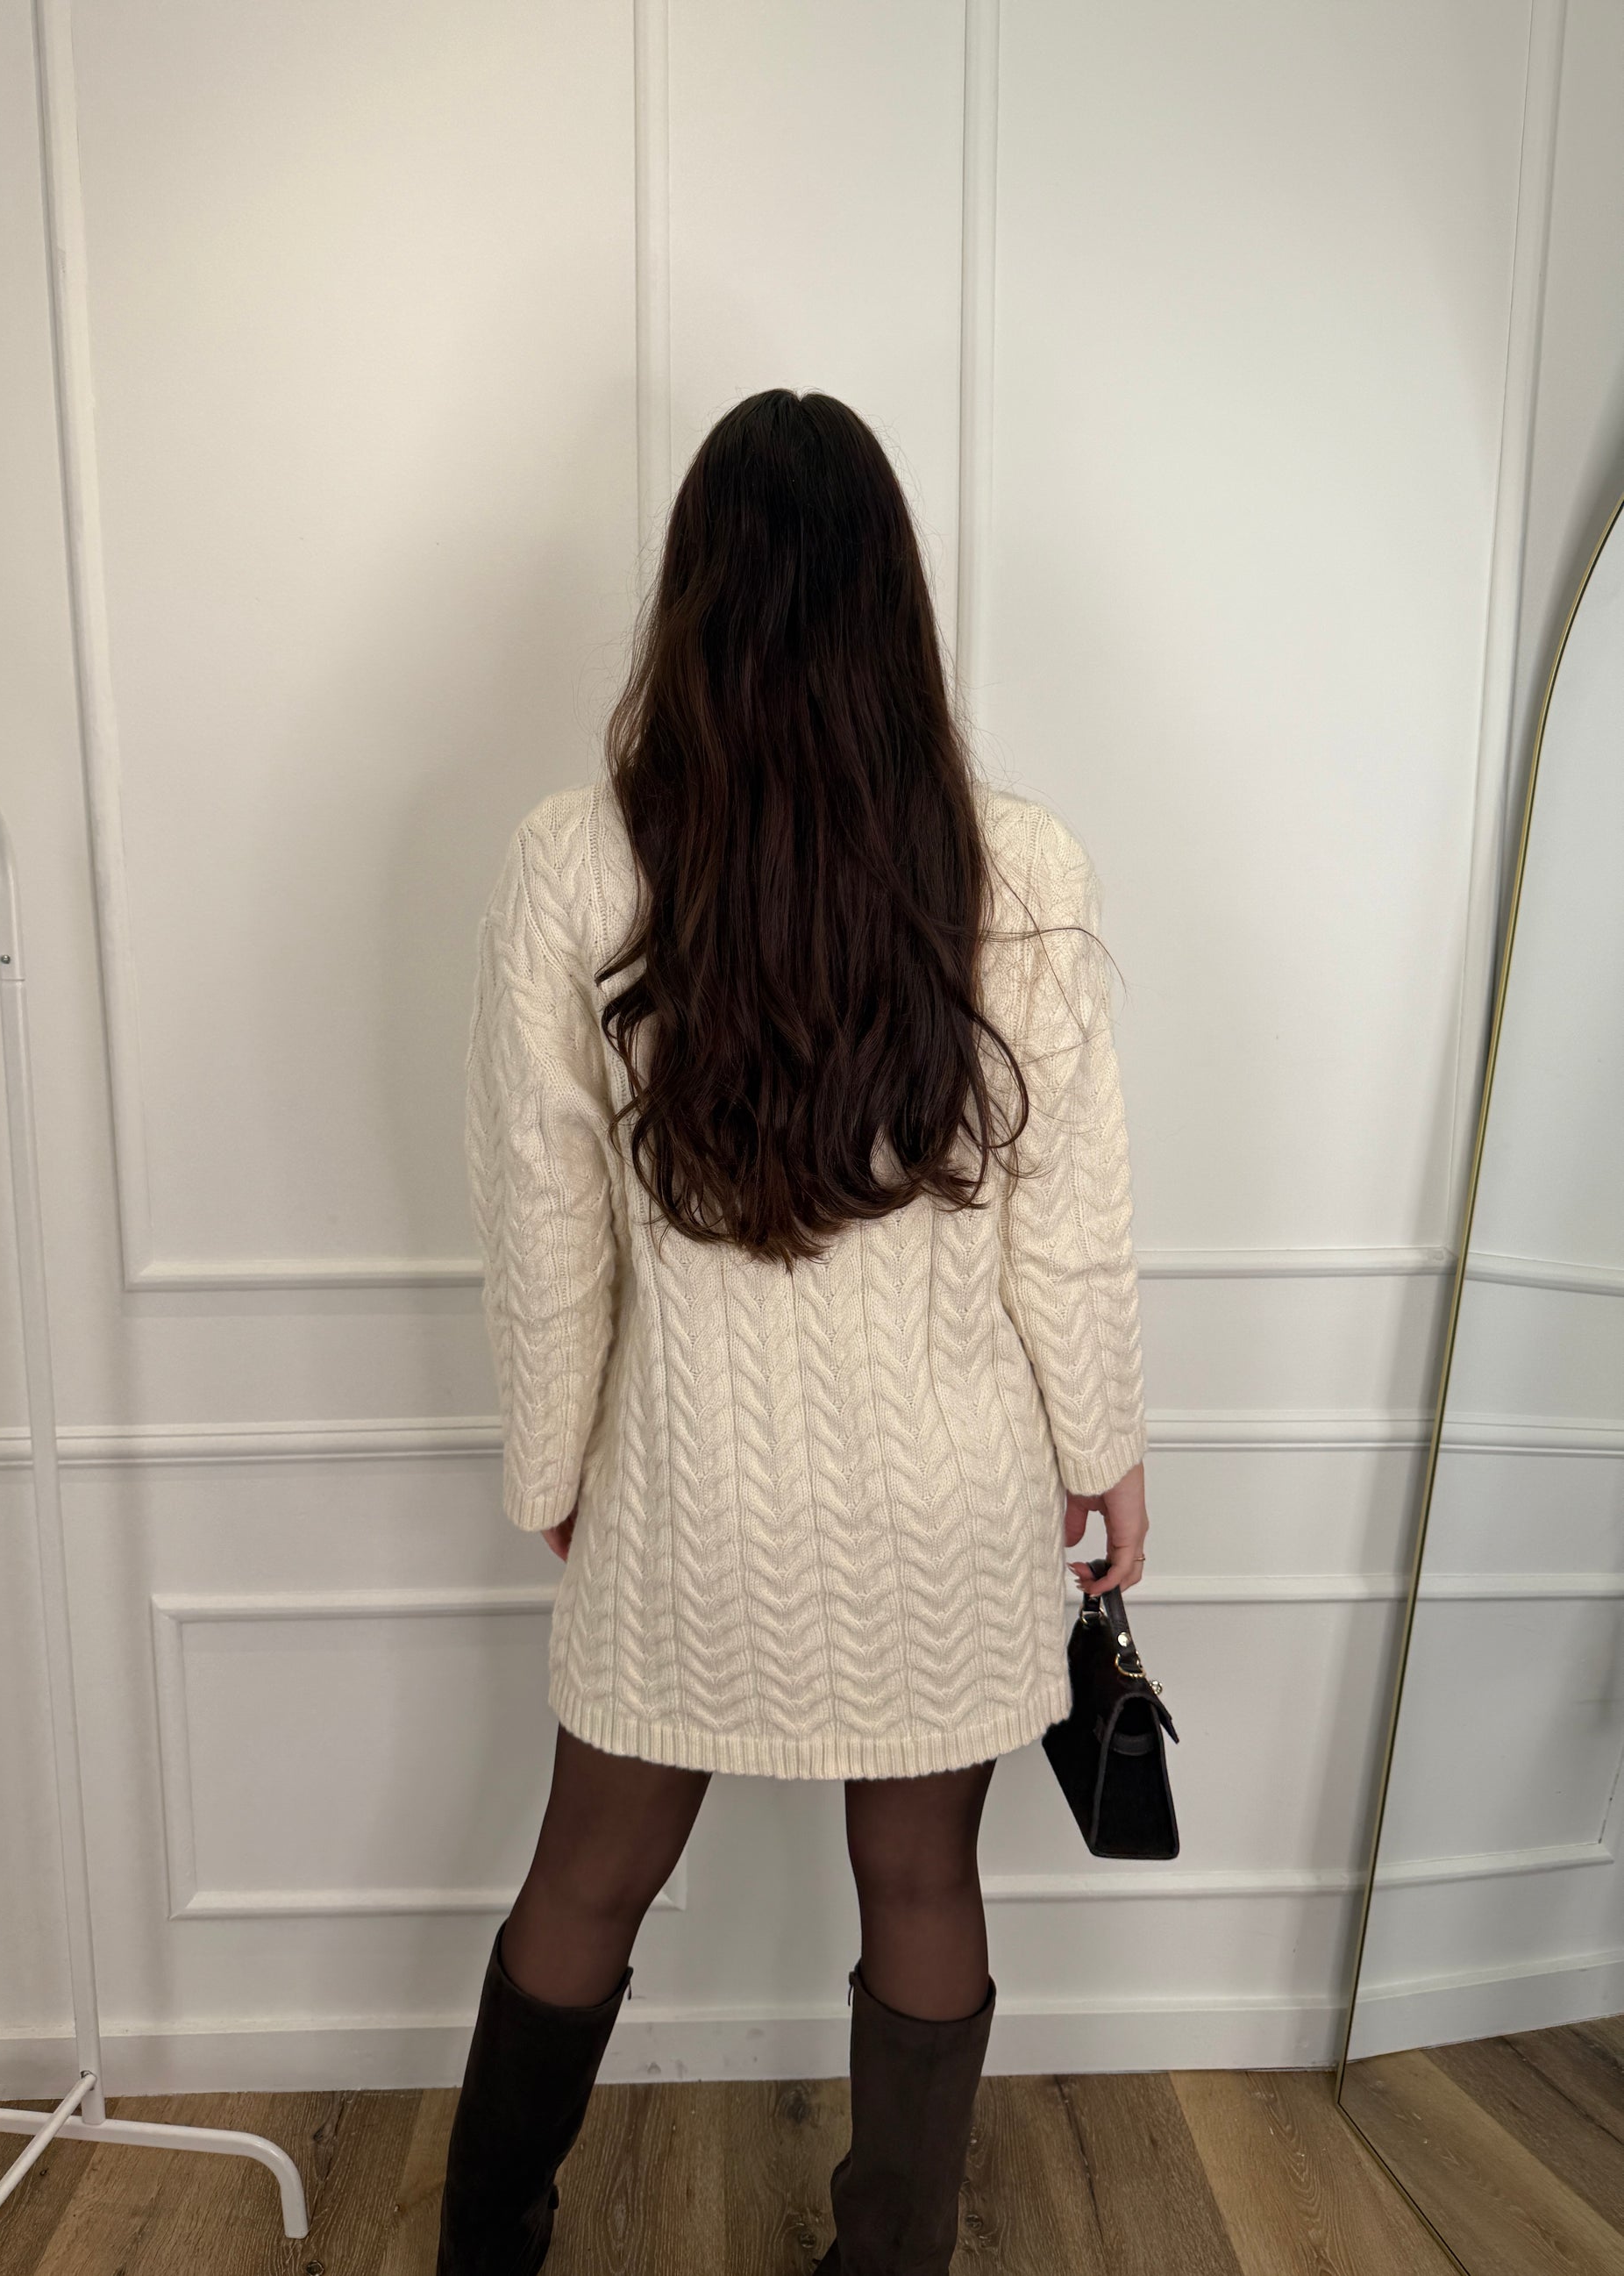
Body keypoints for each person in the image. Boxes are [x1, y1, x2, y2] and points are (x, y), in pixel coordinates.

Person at [436, 388, 1149, 2275]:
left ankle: (483, 2249)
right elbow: (1069, 1216)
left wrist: (553, 1462)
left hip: (689, 1484)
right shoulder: (1021, 866)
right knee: (921, 1875)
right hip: (947, 1490)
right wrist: (1104, 1456)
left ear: (694, 601)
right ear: (893, 607)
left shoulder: (574, 860)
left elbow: (541, 1215)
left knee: (587, 1870)